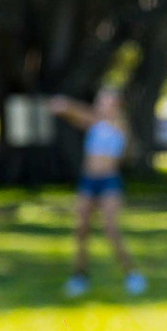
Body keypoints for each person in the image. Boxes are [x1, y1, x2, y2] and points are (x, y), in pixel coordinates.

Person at [46, 88, 144, 297]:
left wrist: (68, 105)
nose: (102, 105)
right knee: (81, 229)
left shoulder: (119, 125)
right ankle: (80, 277)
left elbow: (128, 151)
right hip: (88, 181)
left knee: (111, 230)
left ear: (116, 105)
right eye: (101, 101)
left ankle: (131, 274)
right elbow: (78, 115)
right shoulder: (94, 123)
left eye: (107, 101)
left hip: (109, 182)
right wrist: (64, 107)